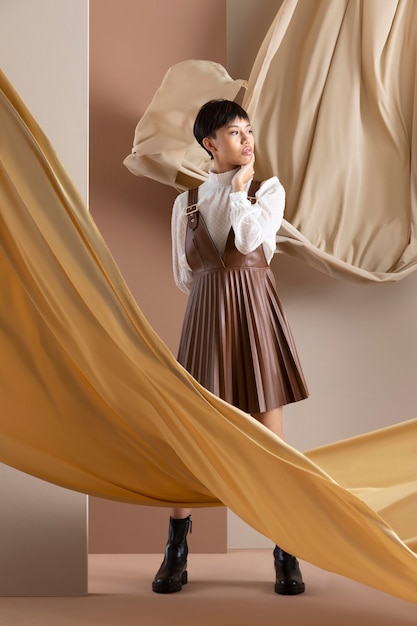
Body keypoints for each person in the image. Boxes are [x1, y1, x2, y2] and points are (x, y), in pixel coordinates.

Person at [152, 99, 309, 596]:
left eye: (248, 130)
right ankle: (177, 548)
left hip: (257, 320)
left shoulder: (269, 190)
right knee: (188, 438)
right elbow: (185, 275)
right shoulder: (187, 202)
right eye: (234, 132)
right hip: (204, 320)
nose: (246, 139)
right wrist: (213, 299)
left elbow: (249, 241)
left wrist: (240, 192)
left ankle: (286, 548)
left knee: (272, 445)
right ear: (209, 143)